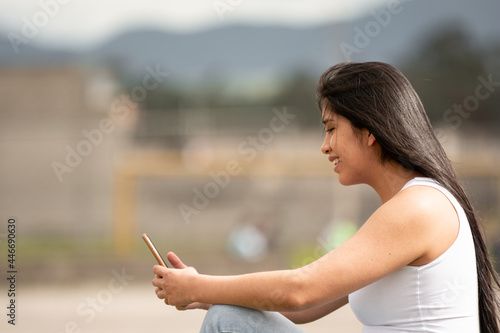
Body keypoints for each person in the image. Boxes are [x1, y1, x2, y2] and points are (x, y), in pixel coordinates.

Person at [151, 62, 500, 332]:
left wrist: (201, 285)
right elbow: (301, 308)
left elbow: (300, 290)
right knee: (227, 315)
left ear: (369, 130)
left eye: (331, 129)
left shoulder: (419, 207)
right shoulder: (405, 209)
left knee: (227, 321)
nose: (324, 145)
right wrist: (203, 293)